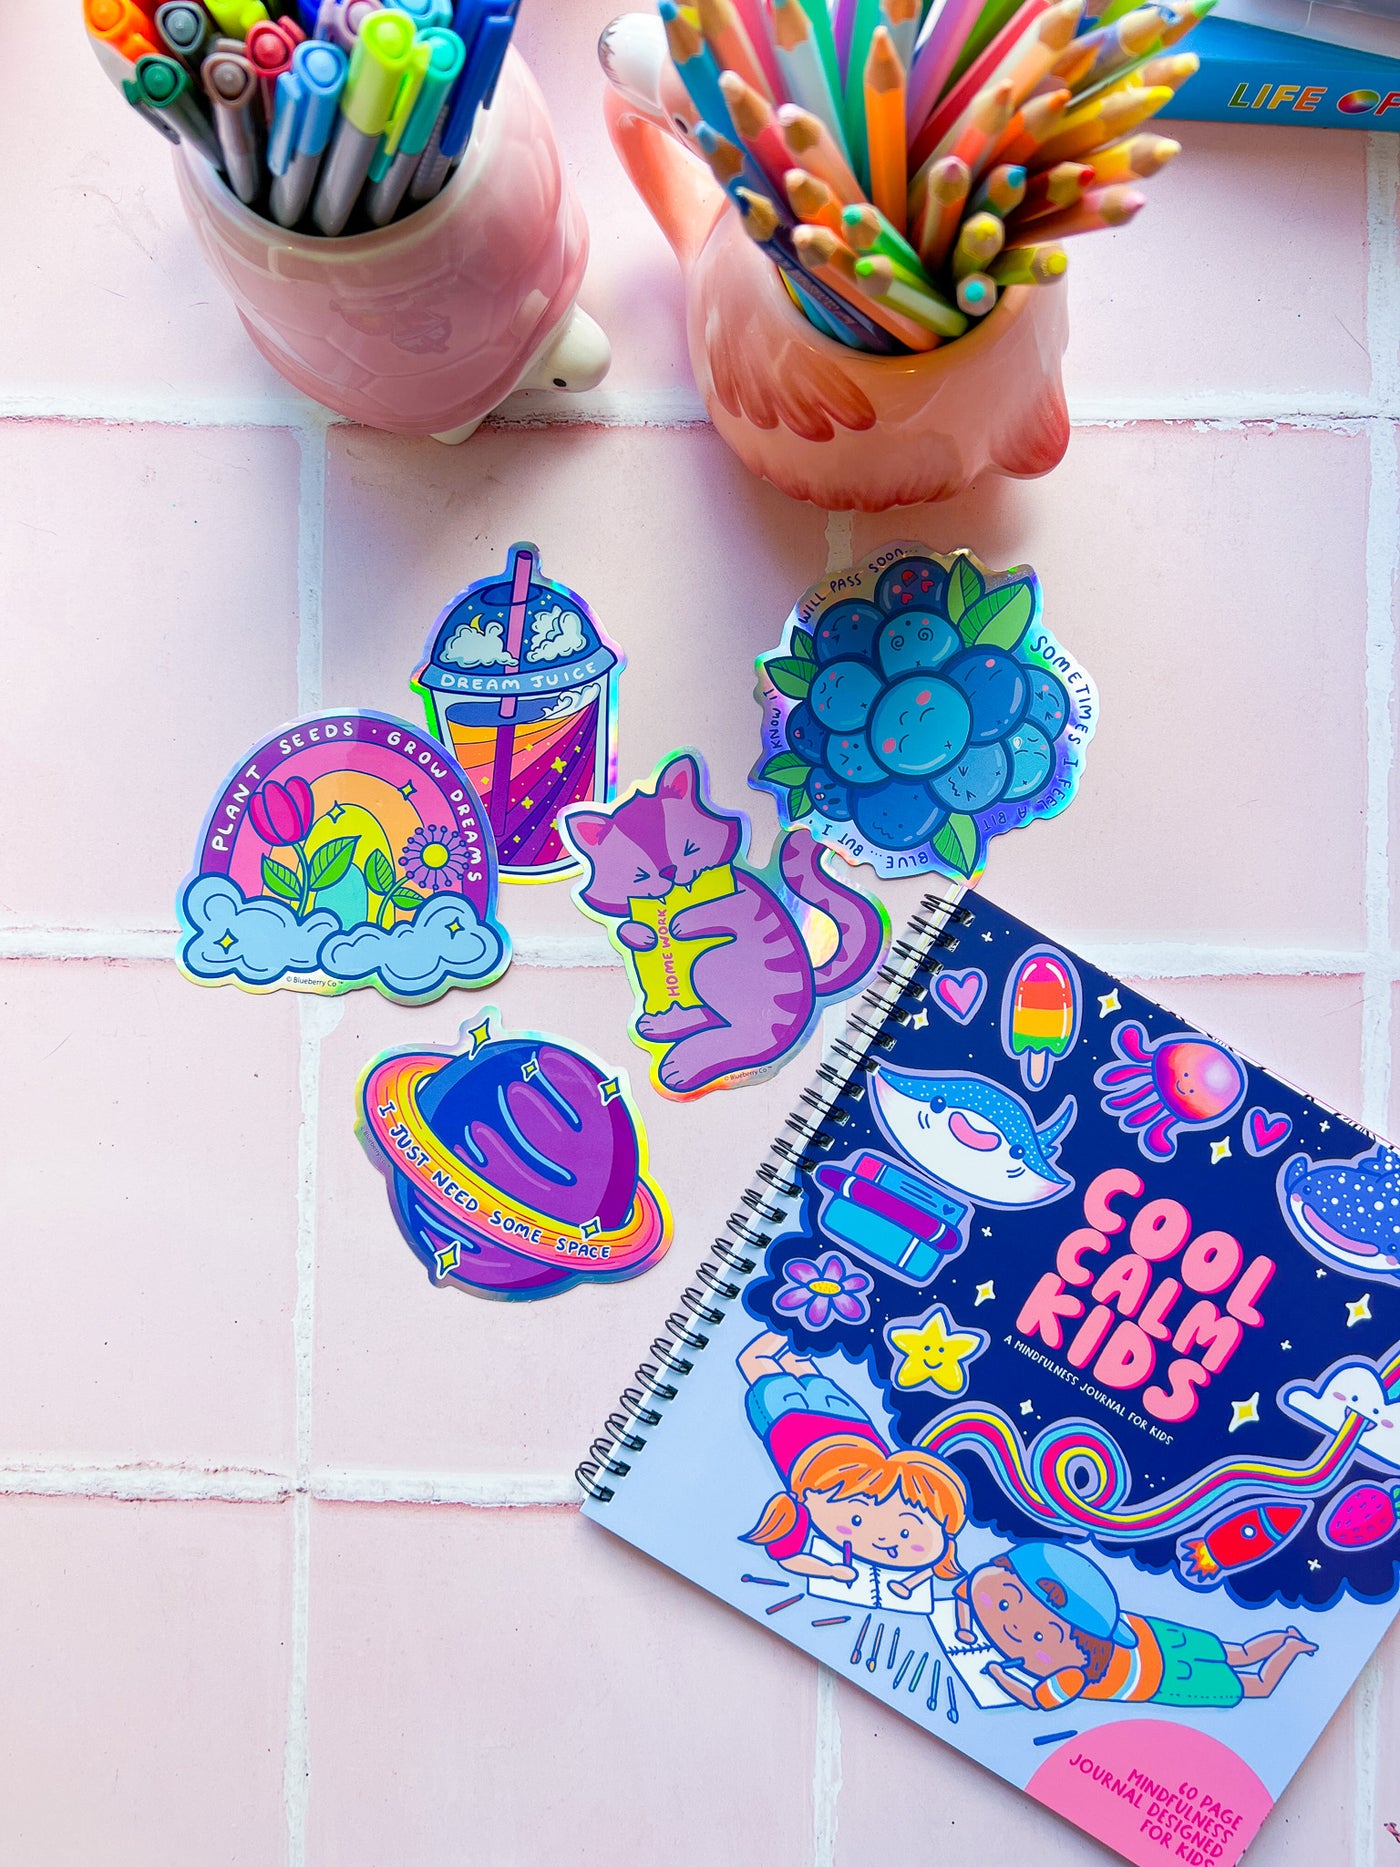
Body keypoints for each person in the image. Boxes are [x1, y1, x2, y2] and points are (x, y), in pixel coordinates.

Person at [738, 1330, 967, 1613]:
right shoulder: (812, 1501)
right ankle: (797, 1320)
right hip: (823, 1418)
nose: (884, 1539)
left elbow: (787, 1557)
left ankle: (802, 1324)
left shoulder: (800, 1511)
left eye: (905, 1535)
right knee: (767, 1358)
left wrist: (831, 1571)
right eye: (905, 1532)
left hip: (810, 1418)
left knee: (786, 1360)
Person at [954, 1542, 1318, 1710]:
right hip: (1155, 1637)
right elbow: (966, 1590)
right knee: (1238, 1653)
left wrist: (999, 1675)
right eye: (1005, 1604)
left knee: (1256, 1685)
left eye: (1039, 1635)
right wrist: (966, 1628)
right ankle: (1288, 1641)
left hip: (1165, 1678)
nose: (1014, 1629)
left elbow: (1037, 1700)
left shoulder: (1073, 1674)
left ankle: (1290, 1646)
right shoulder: (994, 1583)